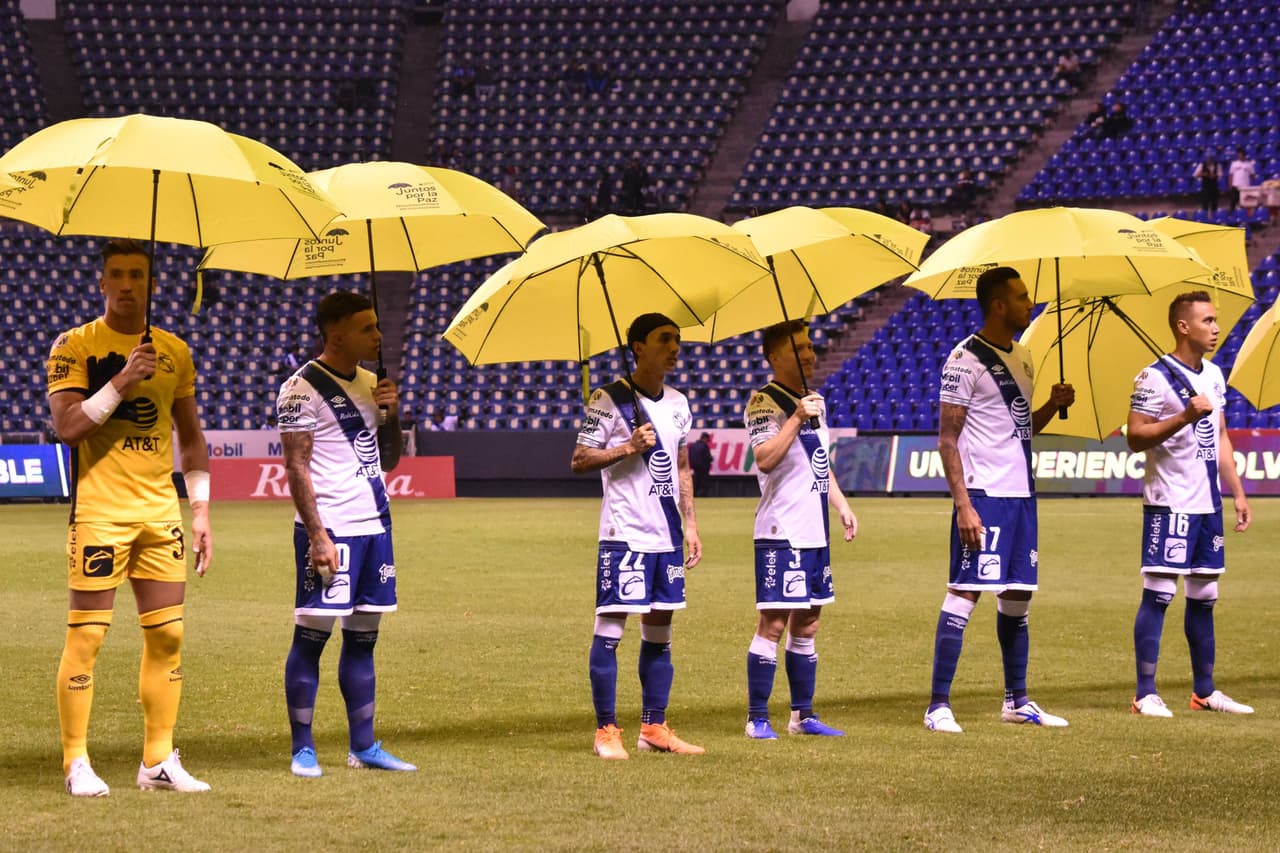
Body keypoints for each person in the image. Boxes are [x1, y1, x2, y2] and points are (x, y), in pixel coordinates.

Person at [47, 238, 213, 796]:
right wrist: (121, 381)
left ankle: (157, 761)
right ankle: (76, 762)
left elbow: (191, 440)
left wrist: (202, 512)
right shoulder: (73, 346)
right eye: (115, 275)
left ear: (150, 284)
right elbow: (68, 428)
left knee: (168, 636)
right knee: (87, 637)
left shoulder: (175, 351)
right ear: (101, 283)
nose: (125, 284)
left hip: (159, 512)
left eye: (136, 275)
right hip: (99, 512)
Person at [924, 266, 1076, 734]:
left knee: (1017, 594)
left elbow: (1021, 427)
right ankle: (938, 706)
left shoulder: (1025, 358)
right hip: (984, 493)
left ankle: (1017, 700)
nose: (1030, 304)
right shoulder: (964, 359)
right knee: (966, 591)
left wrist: (1051, 404)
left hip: (1020, 493)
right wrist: (964, 504)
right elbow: (947, 439)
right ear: (999, 305)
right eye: (1022, 297)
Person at [278, 291, 416, 777]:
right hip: (331, 529)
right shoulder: (300, 389)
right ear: (336, 334)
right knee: (312, 636)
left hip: (375, 525)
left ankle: (364, 746)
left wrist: (392, 414)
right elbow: (295, 465)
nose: (378, 336)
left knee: (363, 640)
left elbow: (390, 459)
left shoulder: (374, 384)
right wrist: (317, 535)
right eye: (367, 328)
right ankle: (303, 748)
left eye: (378, 326)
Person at [571, 313, 705, 760]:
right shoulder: (607, 399)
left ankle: (654, 726)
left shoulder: (680, 403)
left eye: (677, 340)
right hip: (624, 531)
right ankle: (606, 730)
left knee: (660, 632)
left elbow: (682, 466)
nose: (674, 347)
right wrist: (628, 447)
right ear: (638, 347)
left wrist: (691, 525)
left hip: (666, 533)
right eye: (664, 339)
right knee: (611, 629)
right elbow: (579, 459)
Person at [1126, 291, 1252, 717]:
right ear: (1184, 326)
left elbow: (1220, 436)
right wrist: (1182, 416)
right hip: (1170, 501)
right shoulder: (1153, 377)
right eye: (1208, 320)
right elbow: (1135, 437)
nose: (1216, 328)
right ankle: (1145, 694)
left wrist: (1236, 491)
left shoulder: (1214, 376)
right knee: (1159, 593)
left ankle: (1204, 691)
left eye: (1215, 321)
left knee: (1205, 594)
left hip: (1207, 504)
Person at [742, 320, 857, 740]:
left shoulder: (813, 401)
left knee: (808, 622)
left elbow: (818, 462)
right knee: (773, 623)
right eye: (799, 348)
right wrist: (795, 416)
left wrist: (841, 504)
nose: (809, 354)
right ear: (775, 357)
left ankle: (801, 716)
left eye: (810, 346)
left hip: (815, 530)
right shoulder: (763, 403)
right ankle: (757, 718)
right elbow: (765, 458)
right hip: (781, 529)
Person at [688, 432, 713, 497]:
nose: (707, 441)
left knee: (695, 482)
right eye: (707, 440)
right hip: (704, 468)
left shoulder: (692, 445)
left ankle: (694, 495)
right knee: (703, 483)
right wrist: (711, 459)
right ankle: (702, 495)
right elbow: (708, 457)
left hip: (694, 467)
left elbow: (689, 456)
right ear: (705, 438)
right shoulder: (704, 446)